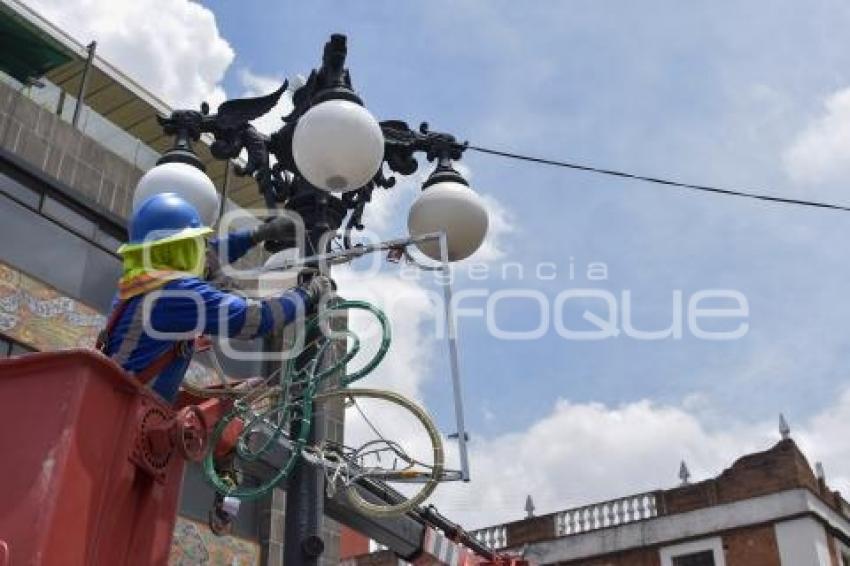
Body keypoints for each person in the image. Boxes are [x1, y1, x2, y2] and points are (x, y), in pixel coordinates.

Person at [100, 192, 331, 403]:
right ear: (182, 248)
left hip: (118, 407)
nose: (203, 248)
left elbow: (210, 253)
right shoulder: (177, 293)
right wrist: (307, 293)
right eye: (196, 242)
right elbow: (256, 319)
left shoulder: (141, 286)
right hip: (128, 414)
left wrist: (257, 235)